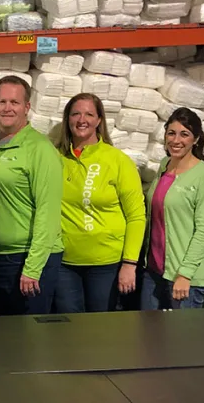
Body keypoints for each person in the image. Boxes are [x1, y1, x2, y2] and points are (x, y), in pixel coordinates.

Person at [0, 75, 63, 316]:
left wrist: (32, 267)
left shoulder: (40, 149)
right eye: (1, 102)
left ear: (27, 107)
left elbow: (48, 212)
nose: (7, 108)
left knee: (29, 339)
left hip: (25, 259)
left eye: (14, 102)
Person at [54, 94, 145, 313]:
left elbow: (136, 216)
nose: (81, 119)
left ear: (99, 121)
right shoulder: (55, 158)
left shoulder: (117, 160)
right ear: (67, 119)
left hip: (106, 263)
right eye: (75, 113)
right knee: (69, 329)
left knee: (101, 331)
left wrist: (129, 263)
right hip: (64, 262)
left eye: (89, 114)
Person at [141, 108, 204, 311]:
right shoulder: (164, 165)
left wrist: (185, 274)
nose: (176, 140)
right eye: (171, 133)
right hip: (155, 270)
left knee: (183, 341)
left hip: (185, 277)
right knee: (147, 335)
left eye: (184, 134)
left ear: (196, 139)